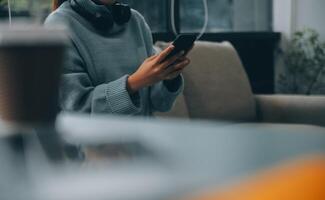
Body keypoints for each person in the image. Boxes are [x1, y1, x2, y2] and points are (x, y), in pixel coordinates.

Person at [45, 0, 191, 116]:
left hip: (142, 140)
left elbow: (159, 104)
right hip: (93, 148)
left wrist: (168, 78)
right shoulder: (58, 25)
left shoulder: (136, 21)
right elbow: (79, 110)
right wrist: (134, 83)